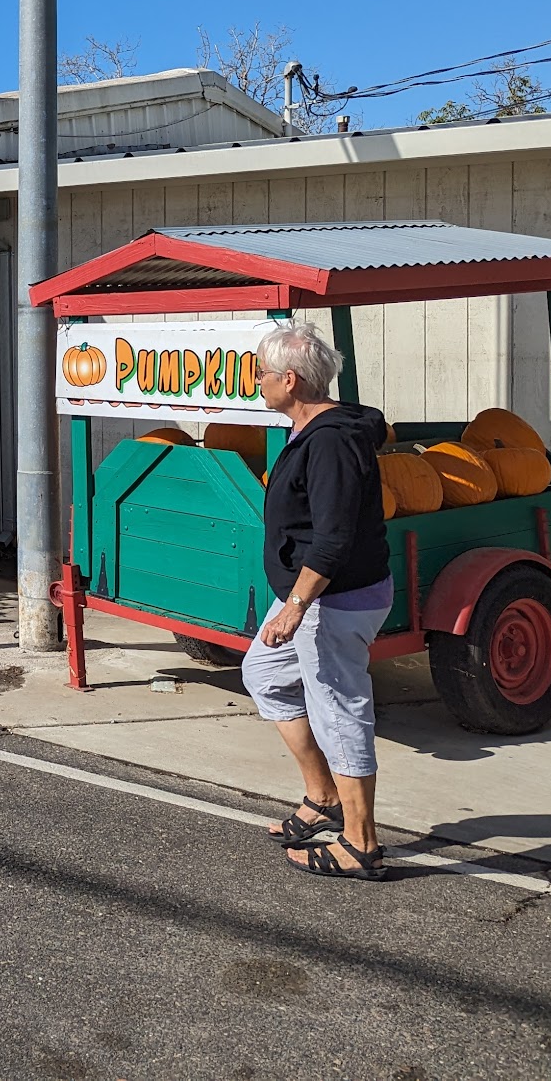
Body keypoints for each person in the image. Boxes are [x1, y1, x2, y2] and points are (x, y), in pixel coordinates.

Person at [240, 320, 394, 880]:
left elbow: (333, 536)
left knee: (339, 709)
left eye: (261, 373)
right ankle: (323, 795)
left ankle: (362, 844)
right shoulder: (308, 429)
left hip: (334, 602)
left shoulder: (329, 440)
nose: (256, 382)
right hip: (317, 602)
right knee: (263, 673)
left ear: (289, 378)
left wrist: (296, 605)